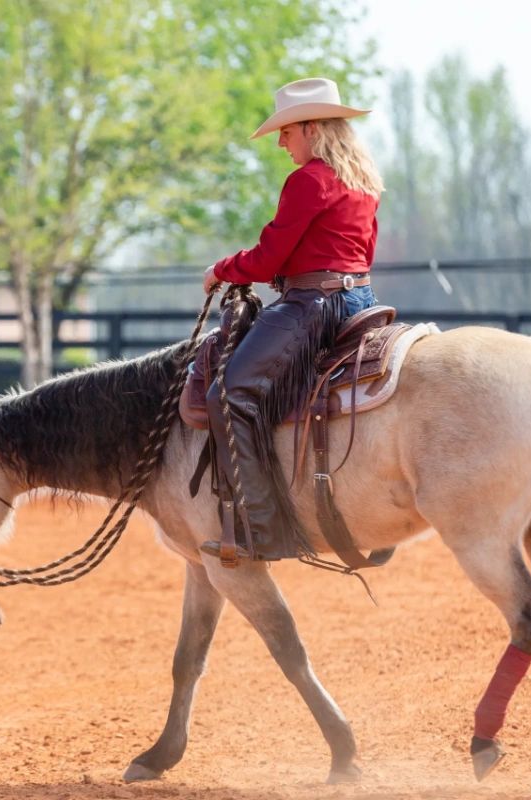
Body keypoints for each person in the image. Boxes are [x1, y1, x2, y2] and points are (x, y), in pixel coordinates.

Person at [198, 77, 385, 564]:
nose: (282, 142)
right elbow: (363, 252)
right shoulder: (364, 181)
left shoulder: (309, 180)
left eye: (286, 132)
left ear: (312, 127)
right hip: (361, 300)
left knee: (229, 394)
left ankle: (264, 530)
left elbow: (266, 259)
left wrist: (222, 270)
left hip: (313, 306)